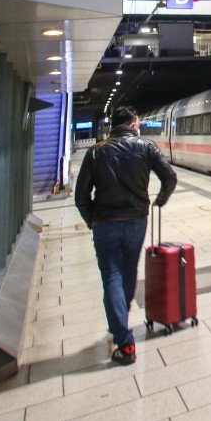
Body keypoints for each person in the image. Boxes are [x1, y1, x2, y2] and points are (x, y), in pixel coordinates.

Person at [74, 104, 177, 365]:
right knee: (129, 271)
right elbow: (170, 176)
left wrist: (92, 220)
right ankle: (120, 319)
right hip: (136, 221)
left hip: (105, 222)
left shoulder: (96, 152)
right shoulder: (146, 147)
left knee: (112, 276)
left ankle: (124, 342)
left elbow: (80, 196)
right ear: (133, 124)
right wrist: (160, 200)